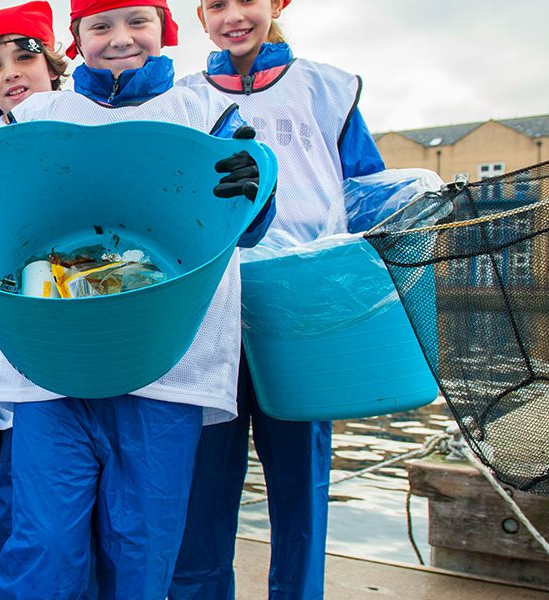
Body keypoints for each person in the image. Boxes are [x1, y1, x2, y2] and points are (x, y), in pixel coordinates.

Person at [0, 0, 274, 596]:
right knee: (45, 547)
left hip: (168, 367)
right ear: (76, 38)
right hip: (47, 369)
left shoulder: (205, 108)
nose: (120, 38)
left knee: (143, 549)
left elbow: (247, 227)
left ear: (165, 29)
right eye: (100, 26)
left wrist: (257, 190)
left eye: (137, 23)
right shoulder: (39, 114)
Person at [170, 2, 386, 598]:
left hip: (307, 310)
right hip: (214, 310)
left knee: (301, 486)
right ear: (200, 15)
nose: (234, 15)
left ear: (276, 5)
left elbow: (364, 188)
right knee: (204, 487)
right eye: (217, 4)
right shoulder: (185, 99)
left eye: (247, 1)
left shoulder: (329, 88)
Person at [0, 0, 73, 581]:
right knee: (17, 534)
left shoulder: (85, 131)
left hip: (79, 368)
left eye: (24, 57)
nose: (11, 73)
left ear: (53, 64)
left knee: (73, 535)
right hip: (4, 374)